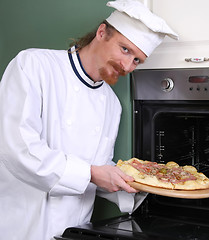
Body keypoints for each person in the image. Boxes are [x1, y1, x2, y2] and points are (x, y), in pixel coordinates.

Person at [0, 0, 178, 239]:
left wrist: (144, 182)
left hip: (73, 230)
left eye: (137, 60)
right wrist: (91, 173)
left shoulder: (112, 104)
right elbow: (17, 150)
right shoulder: (34, 66)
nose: (127, 65)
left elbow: (98, 170)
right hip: (22, 226)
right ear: (102, 33)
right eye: (125, 49)